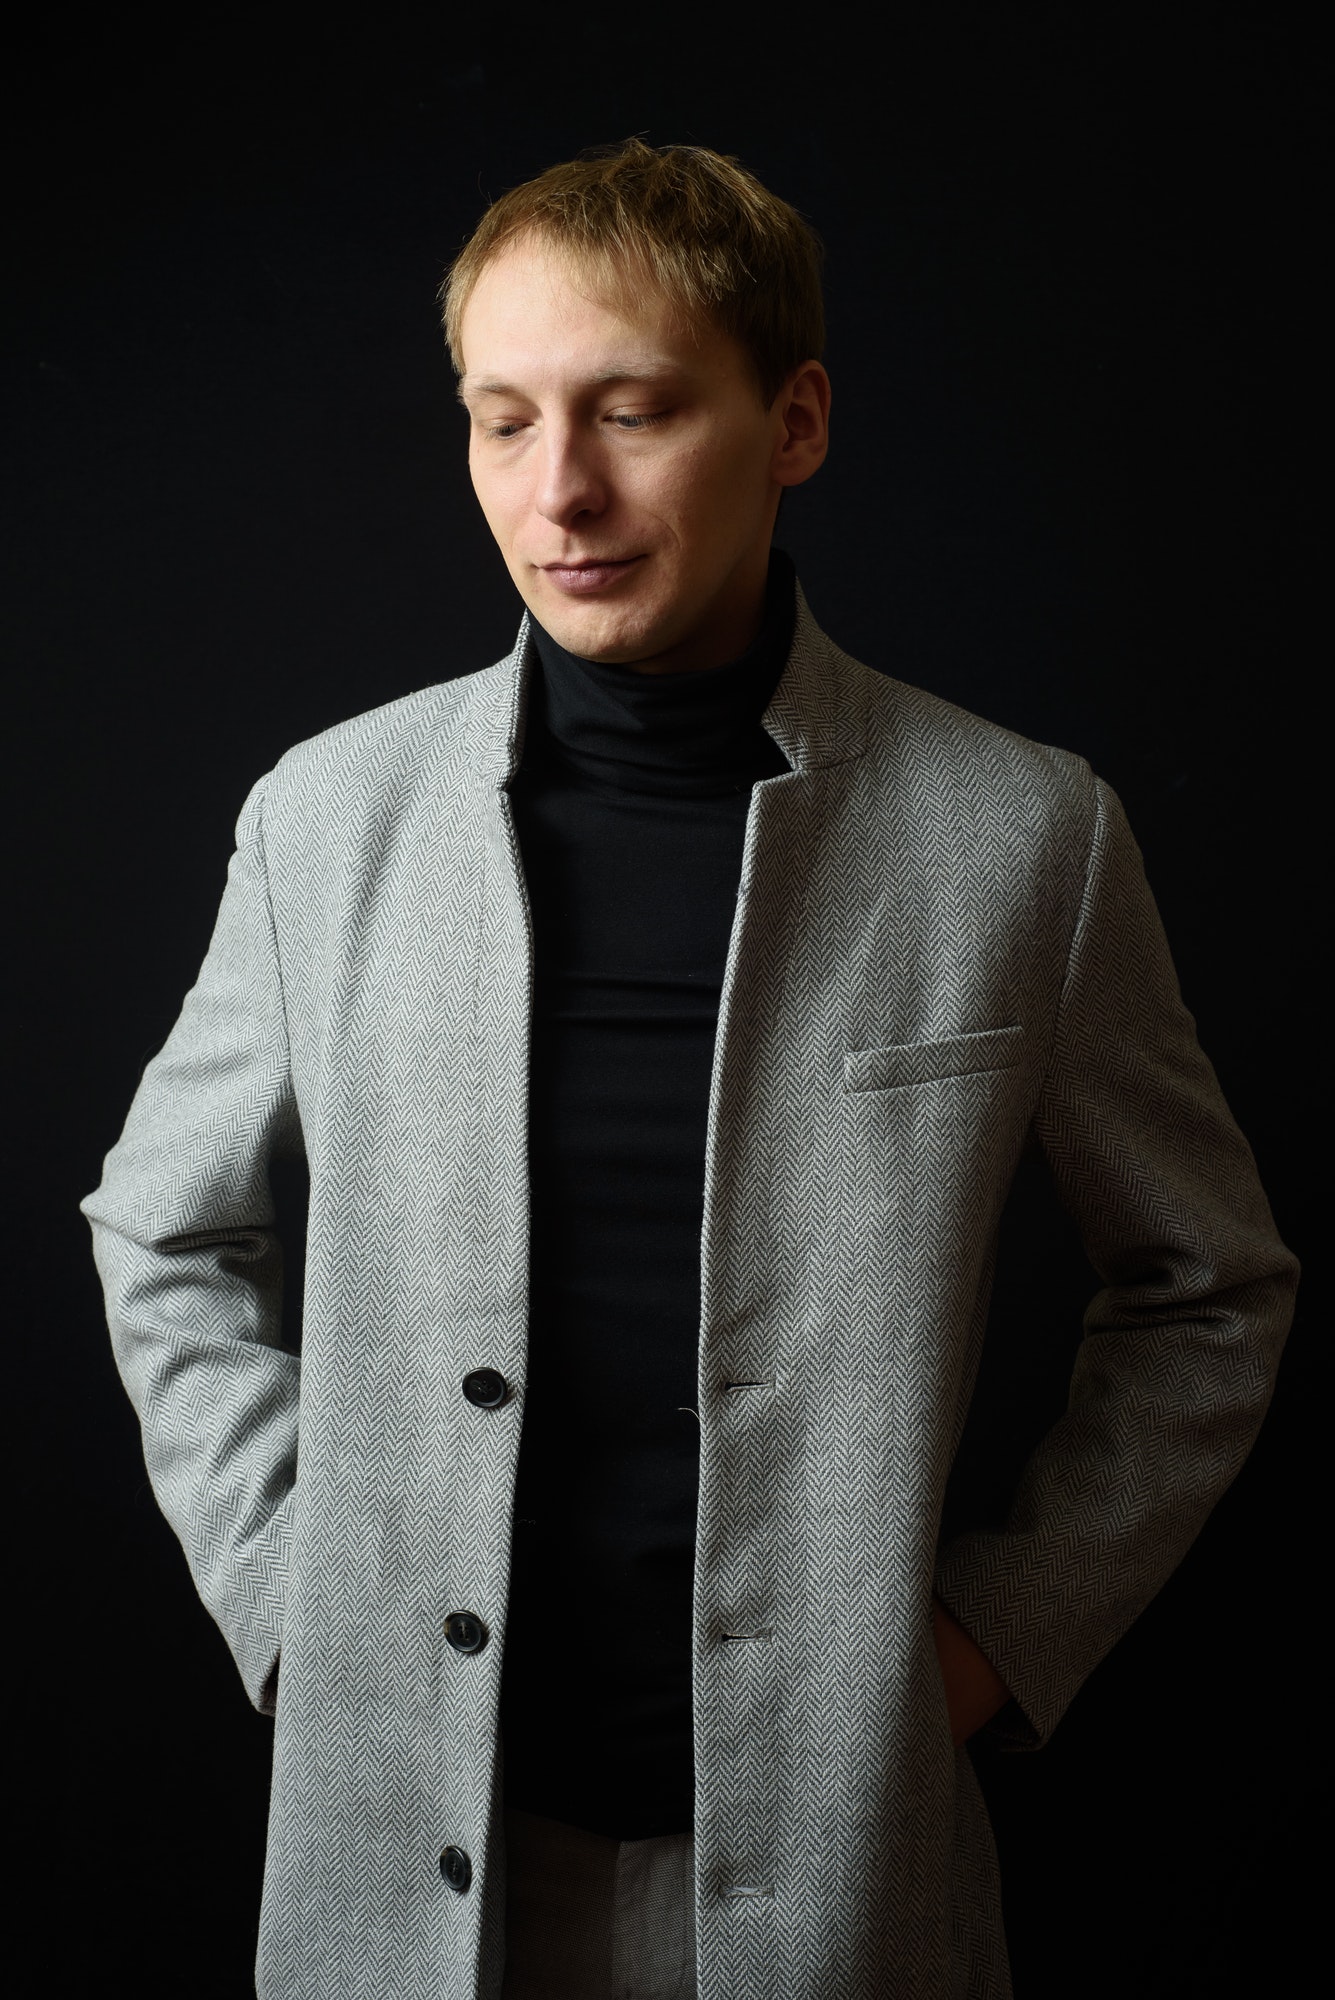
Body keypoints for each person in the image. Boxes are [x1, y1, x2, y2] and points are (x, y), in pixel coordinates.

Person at [81, 139, 1297, 2000]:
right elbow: (162, 1233)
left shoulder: (1021, 838)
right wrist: (292, 1607)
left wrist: (989, 1640)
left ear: (794, 419)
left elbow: (1209, 1289)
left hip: (838, 1883)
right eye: (502, 421)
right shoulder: (326, 819)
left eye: (633, 411)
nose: (558, 491)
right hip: (399, 1881)